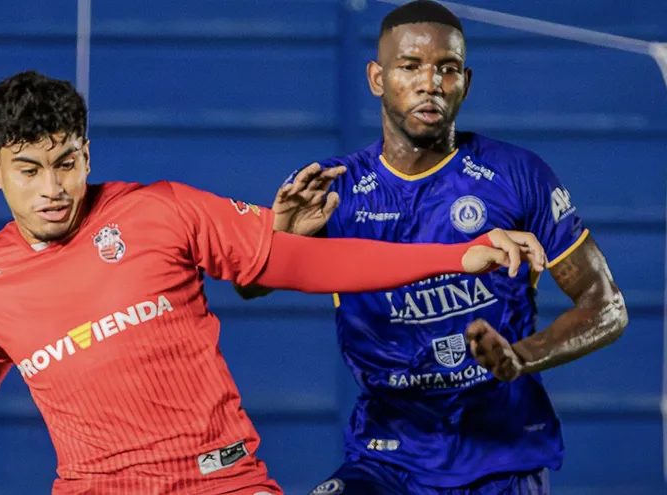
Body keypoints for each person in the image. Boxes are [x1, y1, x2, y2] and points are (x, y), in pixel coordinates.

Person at [0, 70, 544, 495]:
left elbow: (305, 262)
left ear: (86, 150)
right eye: (29, 170)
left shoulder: (159, 210)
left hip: (224, 481)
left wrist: (457, 254)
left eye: (66, 160)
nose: (53, 186)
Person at [234, 1, 628, 494]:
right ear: (377, 79)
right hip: (386, 458)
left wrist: (521, 358)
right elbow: (249, 288)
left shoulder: (516, 174)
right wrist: (280, 241)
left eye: (446, 69)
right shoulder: (333, 187)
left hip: (499, 461)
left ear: (465, 81)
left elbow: (606, 306)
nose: (430, 83)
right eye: (410, 67)